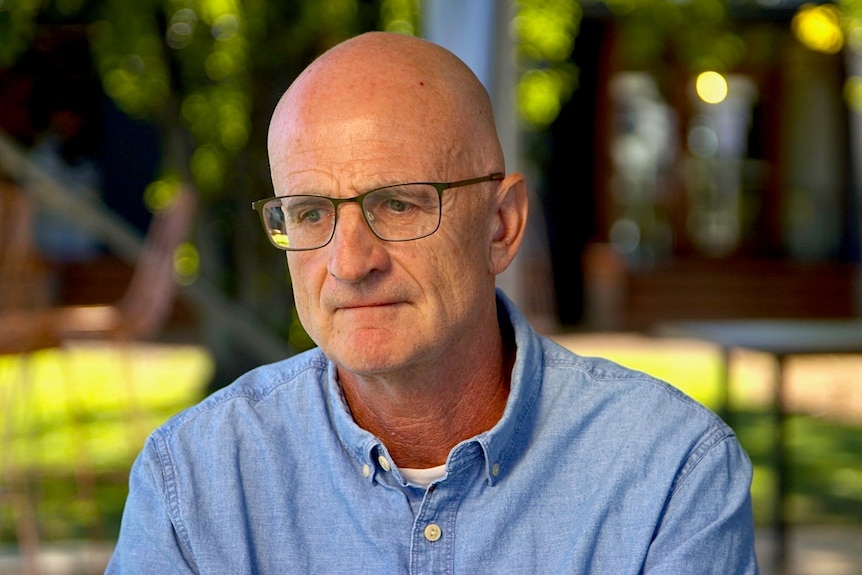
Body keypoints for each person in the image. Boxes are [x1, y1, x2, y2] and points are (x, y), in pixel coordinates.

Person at [107, 32, 758, 574]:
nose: (350, 262)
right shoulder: (194, 478)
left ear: (500, 225)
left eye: (398, 203)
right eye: (309, 213)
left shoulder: (667, 471)